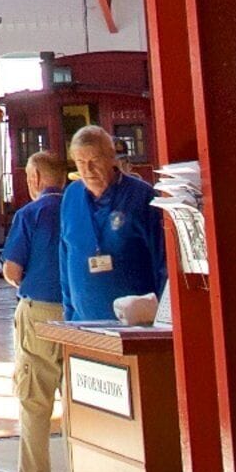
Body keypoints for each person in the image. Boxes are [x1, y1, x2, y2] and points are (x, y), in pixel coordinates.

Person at [0, 149, 71, 472]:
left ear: (37, 179)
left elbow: (12, 269)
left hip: (38, 313)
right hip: (81, 317)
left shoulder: (30, 214)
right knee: (76, 403)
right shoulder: (80, 207)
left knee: (34, 398)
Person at [55, 123, 166, 324]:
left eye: (94, 161)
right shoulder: (71, 196)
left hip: (135, 328)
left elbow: (162, 262)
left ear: (112, 157)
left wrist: (162, 320)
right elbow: (65, 257)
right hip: (83, 325)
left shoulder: (142, 196)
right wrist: (69, 318)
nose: (87, 170)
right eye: (80, 162)